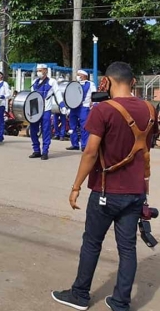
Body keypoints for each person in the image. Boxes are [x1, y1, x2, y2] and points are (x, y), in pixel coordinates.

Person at [52, 62, 157, 311]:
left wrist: (76, 186)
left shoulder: (103, 110)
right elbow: (146, 150)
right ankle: (120, 302)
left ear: (107, 82)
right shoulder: (150, 109)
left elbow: (90, 152)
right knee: (127, 248)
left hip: (105, 191)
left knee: (92, 243)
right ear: (133, 82)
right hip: (135, 193)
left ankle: (79, 295)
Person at [29, 64, 66, 160]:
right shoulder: (34, 82)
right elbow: (31, 96)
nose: (38, 72)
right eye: (37, 70)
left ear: (45, 70)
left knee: (46, 131)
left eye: (40, 70)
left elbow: (57, 93)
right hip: (35, 109)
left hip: (46, 109)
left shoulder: (52, 81)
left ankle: (45, 151)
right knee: (33, 131)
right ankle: (36, 150)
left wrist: (62, 105)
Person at [67, 70, 97, 152]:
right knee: (72, 126)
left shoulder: (90, 84)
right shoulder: (75, 84)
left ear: (84, 76)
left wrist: (93, 103)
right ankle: (75, 144)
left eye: (79, 75)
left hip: (84, 107)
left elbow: (94, 94)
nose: (77, 76)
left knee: (84, 127)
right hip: (74, 107)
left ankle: (84, 145)